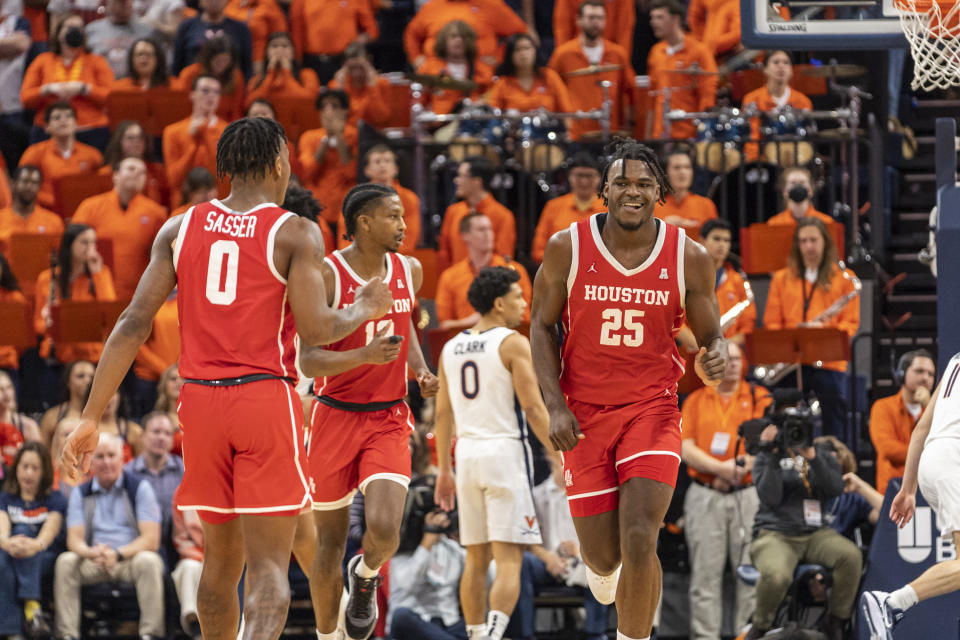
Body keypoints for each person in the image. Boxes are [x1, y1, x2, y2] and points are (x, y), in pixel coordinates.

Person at [61, 116, 393, 640]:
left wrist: (89, 415)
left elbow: (131, 323)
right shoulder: (294, 230)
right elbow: (319, 329)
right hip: (263, 398)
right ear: (277, 162)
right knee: (267, 570)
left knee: (218, 569)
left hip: (199, 405)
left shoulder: (179, 226)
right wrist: (361, 306)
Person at [530, 139, 727, 640]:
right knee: (604, 558)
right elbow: (539, 326)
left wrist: (716, 354)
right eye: (622, 183)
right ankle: (606, 574)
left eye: (643, 184)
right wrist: (555, 406)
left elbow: (711, 338)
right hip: (584, 413)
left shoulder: (691, 257)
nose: (633, 192)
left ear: (660, 191)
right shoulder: (566, 247)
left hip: (652, 409)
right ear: (604, 191)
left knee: (641, 536)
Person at [299, 182, 438, 640]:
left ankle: (367, 575)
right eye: (393, 217)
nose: (403, 225)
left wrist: (418, 369)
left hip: (387, 416)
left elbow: (406, 328)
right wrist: (364, 357)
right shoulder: (329, 273)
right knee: (329, 546)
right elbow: (309, 360)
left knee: (383, 528)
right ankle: (326, 634)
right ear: (364, 223)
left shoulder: (409, 269)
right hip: (334, 413)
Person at [434, 265, 552, 640]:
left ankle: (475, 633)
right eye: (519, 296)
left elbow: (441, 416)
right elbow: (533, 408)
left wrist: (443, 471)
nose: (524, 303)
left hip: (465, 456)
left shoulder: (450, 348)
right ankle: (495, 634)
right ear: (499, 303)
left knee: (475, 558)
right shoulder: (512, 341)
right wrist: (558, 452)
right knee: (509, 560)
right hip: (503, 454)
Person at [860, 351, 960, 640]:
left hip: (933, 460)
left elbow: (920, 431)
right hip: (953, 461)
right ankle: (891, 604)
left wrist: (908, 490)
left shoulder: (954, 362)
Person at [745, 408, 862, 640]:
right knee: (777, 576)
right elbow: (770, 497)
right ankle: (761, 626)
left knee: (850, 556)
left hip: (815, 533)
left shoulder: (822, 454)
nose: (793, 434)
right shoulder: (766, 456)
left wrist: (813, 456)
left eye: (798, 428)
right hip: (775, 534)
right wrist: (773, 454)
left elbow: (834, 489)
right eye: (788, 429)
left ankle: (835, 620)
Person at [680, 342, 769, 640]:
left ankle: (747, 636)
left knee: (749, 575)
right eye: (725, 359)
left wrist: (737, 469)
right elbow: (684, 447)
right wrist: (721, 470)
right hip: (705, 494)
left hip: (747, 494)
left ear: (743, 362)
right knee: (704, 577)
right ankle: (705, 636)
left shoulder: (759, 396)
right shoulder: (695, 400)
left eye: (735, 358)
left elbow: (767, 444)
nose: (731, 364)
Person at [55, 433, 166, 640]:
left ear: (122, 459)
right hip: (95, 559)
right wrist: (91, 552)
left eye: (111, 455)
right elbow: (74, 539)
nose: (106, 462)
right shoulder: (81, 493)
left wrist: (117, 553)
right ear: (90, 462)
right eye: (100, 456)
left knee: (150, 561)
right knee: (65, 562)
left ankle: (151, 634)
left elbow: (151, 539)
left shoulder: (140, 489)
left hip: (129, 560)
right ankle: (67, 635)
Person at [762, 218, 859, 438]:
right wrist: (795, 335)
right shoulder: (781, 278)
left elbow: (850, 325)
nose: (809, 246)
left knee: (834, 414)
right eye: (803, 241)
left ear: (825, 242)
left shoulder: (845, 279)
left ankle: (833, 462)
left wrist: (820, 331)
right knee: (783, 412)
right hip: (792, 361)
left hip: (829, 362)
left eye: (814, 240)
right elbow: (772, 322)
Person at [509, 452, 610, 640]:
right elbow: (526, 540)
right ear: (548, 454)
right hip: (547, 562)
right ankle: (524, 635)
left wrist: (579, 553)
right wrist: (549, 558)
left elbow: (603, 536)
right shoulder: (536, 495)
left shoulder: (591, 493)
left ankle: (596, 634)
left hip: (583, 561)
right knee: (522, 562)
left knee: (601, 563)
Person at [73, 157, 168, 300]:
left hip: (138, 296)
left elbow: (163, 257)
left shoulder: (156, 213)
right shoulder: (90, 207)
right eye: (131, 168)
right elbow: (72, 245)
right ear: (115, 175)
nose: (137, 173)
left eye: (142, 172)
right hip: (96, 291)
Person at [19, 14, 114, 150]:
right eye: (70, 27)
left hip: (91, 130)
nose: (74, 31)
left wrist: (84, 88)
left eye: (79, 28)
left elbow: (111, 98)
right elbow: (26, 99)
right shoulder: (43, 60)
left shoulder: (96, 61)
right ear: (58, 33)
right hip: (48, 129)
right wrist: (48, 89)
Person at [0, 442, 65, 639]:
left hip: (43, 555)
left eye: (34, 468)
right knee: (1, 562)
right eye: (24, 466)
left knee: (21, 530)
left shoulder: (55, 498)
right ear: (16, 467)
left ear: (44, 471)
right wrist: (8, 544)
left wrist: (33, 545)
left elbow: (49, 532)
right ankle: (31, 610)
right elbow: (1, 531)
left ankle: (13, 630)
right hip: (11, 554)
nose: (28, 473)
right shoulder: (5, 498)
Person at [548, 0, 636, 141]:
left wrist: (629, 123)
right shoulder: (563, 54)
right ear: (578, 20)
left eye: (600, 18)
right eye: (590, 17)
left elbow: (630, 89)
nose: (595, 22)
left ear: (606, 21)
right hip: (576, 133)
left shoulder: (618, 54)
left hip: (611, 132)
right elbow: (551, 90)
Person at [33, 224, 117, 366]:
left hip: (91, 356)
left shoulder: (102, 274)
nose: (90, 248)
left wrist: (97, 274)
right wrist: (49, 323)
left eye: (93, 242)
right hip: (57, 357)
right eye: (84, 242)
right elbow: (38, 325)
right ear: (69, 245)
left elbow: (110, 316)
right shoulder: (47, 278)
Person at [436, 213, 532, 330]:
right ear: (465, 235)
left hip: (506, 341)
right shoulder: (450, 276)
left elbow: (525, 318)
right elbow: (444, 325)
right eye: (481, 229)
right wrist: (473, 321)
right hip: (467, 343)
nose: (488, 234)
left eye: (490, 229)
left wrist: (488, 319)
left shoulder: (515, 271)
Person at [388, 509, 468, 640]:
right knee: (401, 616)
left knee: (483, 619)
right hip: (417, 623)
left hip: (449, 624)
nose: (440, 519)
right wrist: (428, 541)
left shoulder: (453, 549)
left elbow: (478, 574)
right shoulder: (401, 550)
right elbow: (407, 585)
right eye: (435, 514)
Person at [646, 0, 717, 140]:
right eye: (652, 17)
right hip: (660, 134)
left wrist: (702, 131)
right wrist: (649, 135)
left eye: (660, 17)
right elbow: (652, 98)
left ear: (676, 19)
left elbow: (708, 94)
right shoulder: (656, 52)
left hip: (688, 134)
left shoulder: (699, 51)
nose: (653, 22)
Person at [869, 349, 936, 495]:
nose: (926, 378)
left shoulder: (936, 410)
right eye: (919, 371)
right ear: (902, 374)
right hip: (893, 490)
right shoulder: (882, 407)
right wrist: (926, 453)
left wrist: (930, 405)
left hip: (929, 490)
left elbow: (943, 446)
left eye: (930, 374)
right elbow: (888, 449)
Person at [17, 102, 103, 212]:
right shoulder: (35, 153)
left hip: (83, 211)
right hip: (46, 211)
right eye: (57, 117)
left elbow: (101, 187)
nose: (63, 120)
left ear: (76, 123)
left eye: (68, 116)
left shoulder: (92, 155)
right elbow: (22, 184)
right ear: (47, 127)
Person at [299, 88, 358, 243]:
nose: (328, 111)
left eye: (334, 106)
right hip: (317, 210)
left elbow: (352, 173)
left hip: (345, 210)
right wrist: (326, 140)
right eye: (324, 107)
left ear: (345, 111)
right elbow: (307, 173)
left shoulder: (354, 135)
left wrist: (339, 137)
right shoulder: (309, 137)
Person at [437, 157, 516, 270]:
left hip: (488, 283)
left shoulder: (502, 216)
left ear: (477, 181)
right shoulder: (453, 211)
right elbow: (444, 254)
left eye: (461, 176)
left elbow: (503, 258)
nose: (456, 180)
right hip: (457, 283)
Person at [161, 74, 228, 208]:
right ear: (192, 95)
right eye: (205, 90)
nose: (211, 96)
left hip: (219, 208)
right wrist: (193, 145)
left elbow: (225, 179)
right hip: (183, 208)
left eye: (216, 92)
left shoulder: (228, 132)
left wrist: (204, 136)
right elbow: (173, 179)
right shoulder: (172, 131)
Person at [124, 411, 184, 561]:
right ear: (142, 436)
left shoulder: (184, 470)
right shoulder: (127, 473)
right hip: (141, 544)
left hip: (178, 546)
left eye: (167, 433)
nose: (161, 438)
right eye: (156, 432)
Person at [404, 0, 528, 70]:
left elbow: (519, 32)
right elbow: (411, 34)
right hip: (437, 75)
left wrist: (500, 57)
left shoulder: (491, 5)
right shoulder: (431, 7)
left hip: (479, 75)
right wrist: (416, 58)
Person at [531, 153, 604, 264]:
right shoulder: (554, 206)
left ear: (599, 178)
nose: (584, 181)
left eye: (590, 176)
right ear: (569, 177)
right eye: (579, 175)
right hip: (558, 272)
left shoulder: (609, 208)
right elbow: (538, 250)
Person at [742, 50, 813, 163]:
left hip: (796, 160)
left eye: (786, 63)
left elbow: (807, 137)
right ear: (765, 69)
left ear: (791, 70)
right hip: (763, 162)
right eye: (776, 62)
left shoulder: (803, 101)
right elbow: (752, 136)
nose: (781, 66)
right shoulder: (752, 99)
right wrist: (755, 162)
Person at [289, 0, 379, 85]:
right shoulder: (301, 1)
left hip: (345, 61)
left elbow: (371, 29)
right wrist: (297, 63)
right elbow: (297, 32)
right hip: (313, 62)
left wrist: (361, 41)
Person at [415, 20, 494, 116]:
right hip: (439, 123)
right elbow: (420, 101)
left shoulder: (482, 69)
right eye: (453, 36)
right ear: (443, 40)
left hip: (471, 121)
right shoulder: (429, 68)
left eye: (464, 37)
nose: (459, 40)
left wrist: (482, 102)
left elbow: (491, 98)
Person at [487, 34, 573, 119]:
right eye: (517, 50)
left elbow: (567, 111)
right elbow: (493, 114)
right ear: (510, 55)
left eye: (527, 48)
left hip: (549, 130)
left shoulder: (549, 76)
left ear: (535, 50)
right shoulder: (503, 83)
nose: (523, 53)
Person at [699, 219, 755, 345]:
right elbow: (676, 321)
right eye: (716, 239)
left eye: (726, 240)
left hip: (729, 353)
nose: (722, 245)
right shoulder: (688, 276)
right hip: (693, 352)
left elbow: (747, 325)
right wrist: (694, 343)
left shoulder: (737, 280)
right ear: (702, 241)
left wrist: (725, 345)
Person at [172, 0, 253, 80]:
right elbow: (177, 64)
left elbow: (247, 66)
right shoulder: (186, 26)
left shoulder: (240, 28)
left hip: (229, 85)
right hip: (192, 83)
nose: (214, 1)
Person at [363, 144, 420, 254]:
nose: (383, 165)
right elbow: (347, 236)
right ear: (367, 170)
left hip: (396, 258)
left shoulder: (409, 198)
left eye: (387, 161)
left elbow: (409, 237)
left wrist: (388, 259)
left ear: (395, 169)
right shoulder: (357, 199)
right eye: (377, 161)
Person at [98, 120, 169, 208]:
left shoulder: (158, 170)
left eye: (140, 137)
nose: (136, 141)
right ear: (119, 141)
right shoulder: (105, 173)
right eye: (130, 138)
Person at [178, 34, 247, 123]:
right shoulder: (190, 74)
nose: (222, 64)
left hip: (224, 128)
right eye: (218, 61)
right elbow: (182, 107)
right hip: (192, 124)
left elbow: (236, 111)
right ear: (208, 58)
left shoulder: (236, 76)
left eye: (226, 61)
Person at [655, 150, 718, 241]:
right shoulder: (655, 205)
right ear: (666, 174)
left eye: (687, 167)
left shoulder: (706, 204)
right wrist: (662, 226)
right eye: (677, 167)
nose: (682, 172)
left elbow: (714, 239)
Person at [245, 31, 320, 105]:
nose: (280, 50)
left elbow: (308, 100)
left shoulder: (307, 74)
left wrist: (286, 72)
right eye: (274, 46)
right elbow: (251, 103)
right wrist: (271, 73)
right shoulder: (257, 79)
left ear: (293, 52)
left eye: (285, 46)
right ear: (266, 53)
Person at [328, 42, 391, 129]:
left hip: (373, 134)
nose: (356, 74)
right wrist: (340, 89)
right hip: (346, 133)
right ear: (344, 66)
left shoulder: (381, 83)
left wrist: (371, 86)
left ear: (368, 63)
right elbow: (332, 118)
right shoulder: (336, 85)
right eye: (352, 68)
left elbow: (380, 118)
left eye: (360, 67)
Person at [84, 0, 153, 78]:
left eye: (129, 1)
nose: (126, 4)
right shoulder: (91, 31)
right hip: (102, 85)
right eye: (120, 1)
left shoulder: (147, 31)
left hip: (135, 86)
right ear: (107, 4)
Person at [0, 165, 63, 247]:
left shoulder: (54, 222)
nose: (29, 187)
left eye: (34, 182)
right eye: (25, 181)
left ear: (39, 187)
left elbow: (60, 255)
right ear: (14, 184)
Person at [0, 10, 31, 172]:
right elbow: (15, 45)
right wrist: (7, 47)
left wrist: (14, 45)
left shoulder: (18, 22)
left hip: (11, 108)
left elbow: (21, 44)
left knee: (14, 169)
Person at [39, 360, 96, 449]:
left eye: (92, 377)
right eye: (80, 376)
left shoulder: (103, 414)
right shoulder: (52, 416)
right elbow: (42, 453)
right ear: (68, 382)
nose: (88, 380)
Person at [553, 0, 635, 58]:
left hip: (610, 56)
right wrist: (565, 59)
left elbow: (624, 31)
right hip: (575, 54)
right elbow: (563, 30)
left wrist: (620, 59)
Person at [223, 0, 287, 69]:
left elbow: (279, 36)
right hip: (231, 60)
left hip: (258, 61)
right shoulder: (231, 4)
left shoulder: (268, 5)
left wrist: (266, 60)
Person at [766, 167, 835, 228]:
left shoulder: (826, 222)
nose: (798, 186)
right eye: (793, 183)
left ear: (811, 190)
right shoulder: (774, 224)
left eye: (802, 182)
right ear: (784, 191)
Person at [0, 370, 42, 443]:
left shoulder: (29, 426)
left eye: (9, 387)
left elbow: (39, 453)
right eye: (1, 389)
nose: (7, 394)